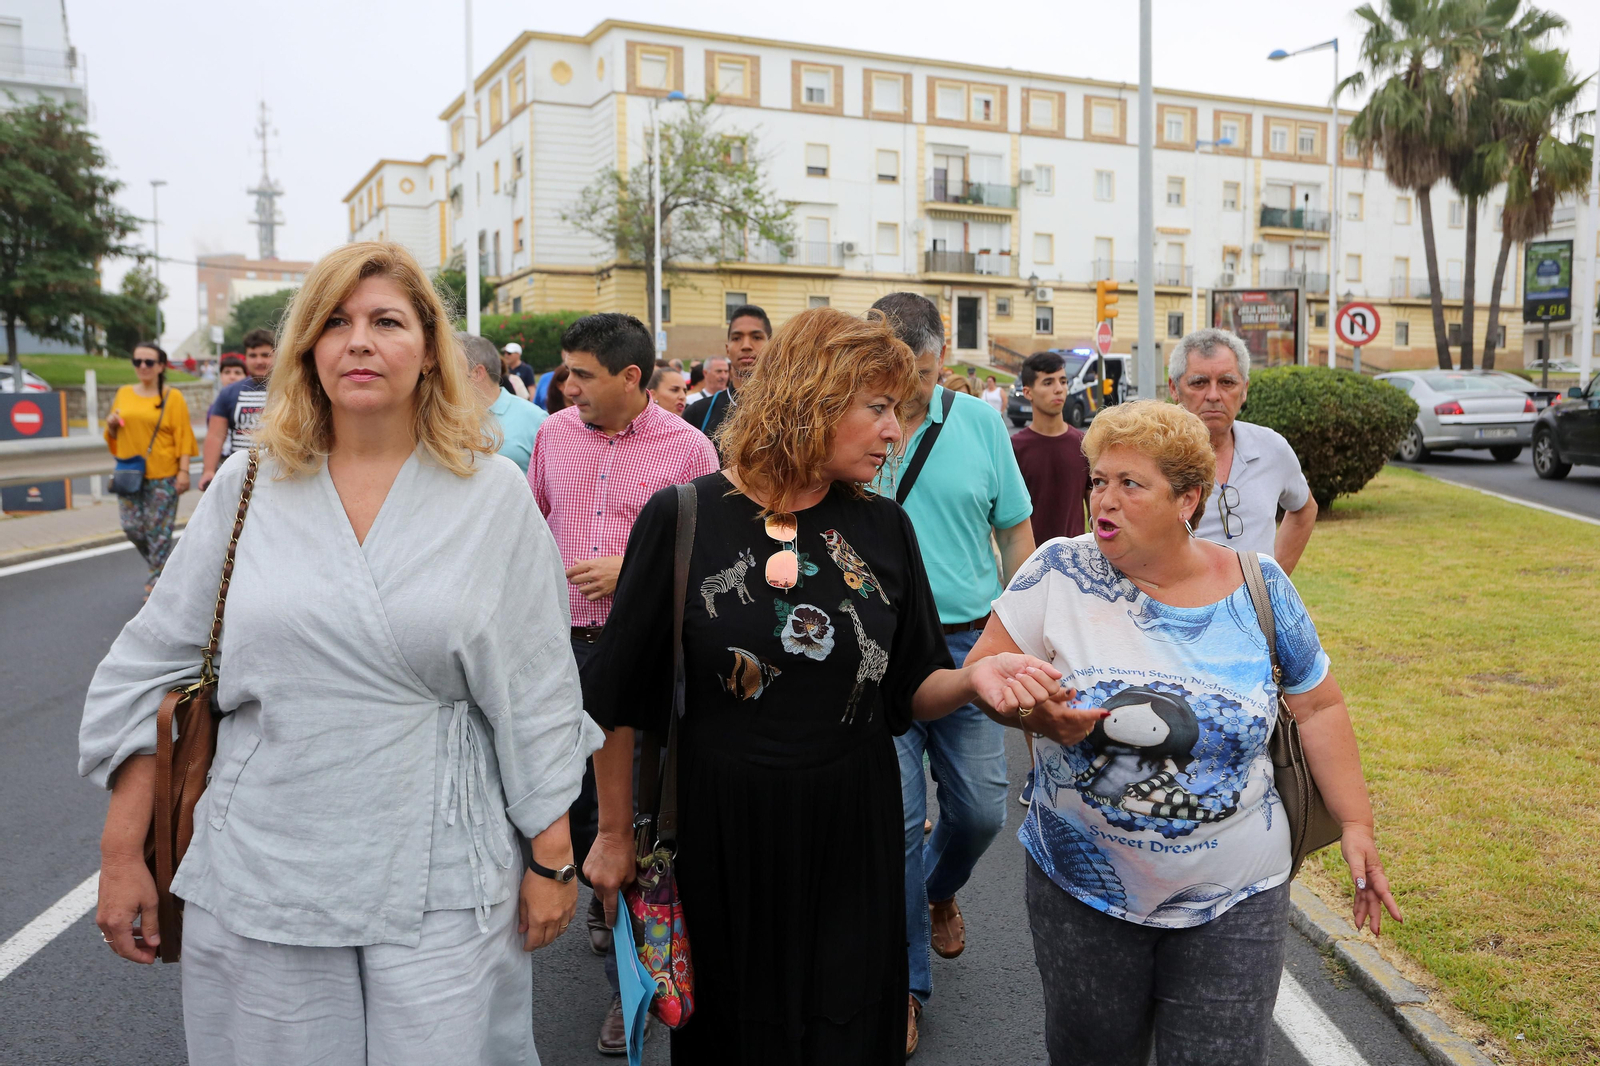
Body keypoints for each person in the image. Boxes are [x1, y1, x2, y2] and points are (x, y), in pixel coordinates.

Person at [81, 241, 602, 1065]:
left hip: (444, 872)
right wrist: (121, 856)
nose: (359, 341)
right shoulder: (247, 488)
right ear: (307, 351)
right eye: (334, 322)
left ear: (427, 350)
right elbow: (152, 670)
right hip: (262, 868)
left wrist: (553, 859)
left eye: (386, 321)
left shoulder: (493, 494)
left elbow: (538, 690)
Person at [580, 307, 1069, 1063]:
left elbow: (912, 687)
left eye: (898, 411)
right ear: (813, 398)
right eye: (877, 408)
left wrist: (974, 679)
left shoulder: (885, 527)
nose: (894, 432)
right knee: (737, 1032)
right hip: (723, 833)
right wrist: (613, 836)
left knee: (848, 1026)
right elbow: (619, 699)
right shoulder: (683, 518)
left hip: (855, 831)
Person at [967, 400, 1403, 1065]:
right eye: (1098, 480)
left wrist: (1357, 825)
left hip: (1236, 898)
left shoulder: (1260, 585)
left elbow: (1319, 709)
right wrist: (1031, 713)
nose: (1104, 499)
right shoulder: (1057, 571)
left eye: (1130, 483)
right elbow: (985, 674)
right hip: (1081, 892)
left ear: (1187, 499)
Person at [528, 312, 719, 1055]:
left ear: (631, 377)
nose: (568, 387)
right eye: (566, 371)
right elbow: (532, 529)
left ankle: (626, 987)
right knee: (576, 814)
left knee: (634, 822)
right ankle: (601, 899)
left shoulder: (690, 447)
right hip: (563, 654)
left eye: (582, 374)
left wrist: (633, 571)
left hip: (647, 659)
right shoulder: (552, 438)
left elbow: (713, 561)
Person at [868, 292, 1034, 1055]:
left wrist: (1025, 625)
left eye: (926, 372)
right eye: (897, 376)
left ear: (942, 359)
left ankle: (939, 891)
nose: (911, 393)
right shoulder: (850, 421)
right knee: (898, 826)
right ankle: (906, 986)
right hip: (878, 652)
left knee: (980, 812)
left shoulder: (978, 424)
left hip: (971, 644)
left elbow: (1015, 532)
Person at [1168, 328, 1317, 574]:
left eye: (1227, 382)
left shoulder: (1271, 448)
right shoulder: (1154, 458)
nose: (1213, 395)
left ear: (1244, 389)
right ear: (1174, 388)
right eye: (1199, 382)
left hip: (1257, 599)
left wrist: (1274, 582)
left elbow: (1305, 508)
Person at [104, 343, 198, 599]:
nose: (143, 366)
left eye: (149, 362)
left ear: (161, 366)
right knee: (132, 527)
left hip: (164, 474)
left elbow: (183, 436)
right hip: (129, 472)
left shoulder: (172, 397)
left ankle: (156, 581)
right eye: (138, 362)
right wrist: (111, 426)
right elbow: (113, 436)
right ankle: (168, 570)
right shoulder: (124, 393)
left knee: (159, 532)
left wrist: (183, 471)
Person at [1012, 351, 1091, 544]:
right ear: (1028, 392)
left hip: (1076, 557)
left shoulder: (1084, 445)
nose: (1058, 389)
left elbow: (1095, 511)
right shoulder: (1014, 448)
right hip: (1031, 558)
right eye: (1048, 383)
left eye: (1063, 381)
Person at [200, 328, 276, 492]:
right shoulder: (229, 393)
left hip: (279, 474)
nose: (259, 361)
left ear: (276, 355)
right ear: (246, 357)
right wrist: (208, 471)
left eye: (265, 355)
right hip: (240, 476)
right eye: (253, 355)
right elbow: (215, 435)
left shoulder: (290, 389)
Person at [461, 331, 546, 475]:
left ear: (477, 373)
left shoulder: (536, 419)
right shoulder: (441, 416)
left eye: (450, 369)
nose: (442, 375)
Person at [683, 308, 770, 443]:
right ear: (727, 349)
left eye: (756, 337)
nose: (746, 346)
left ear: (771, 345)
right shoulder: (698, 412)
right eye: (737, 338)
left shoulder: (789, 412)